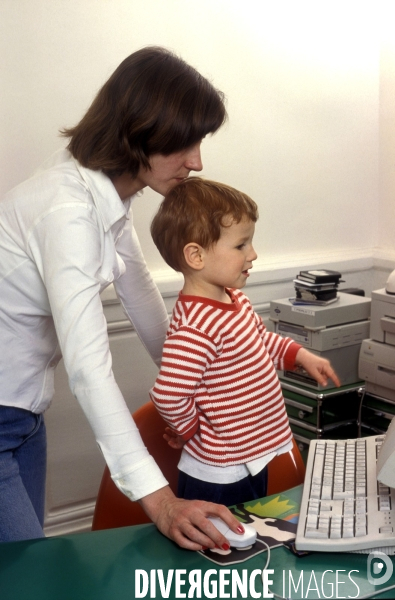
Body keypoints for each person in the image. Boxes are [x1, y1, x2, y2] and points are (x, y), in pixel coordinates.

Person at [0, 46, 244, 550]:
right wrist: (161, 501)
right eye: (184, 144)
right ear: (140, 131)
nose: (197, 162)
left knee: (28, 563)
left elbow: (142, 300)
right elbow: (90, 369)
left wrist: (199, 401)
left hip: (21, 413)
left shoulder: (108, 191)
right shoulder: (67, 210)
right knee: (22, 576)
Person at [150, 177, 341, 505]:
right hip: (219, 471)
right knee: (219, 545)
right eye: (241, 245)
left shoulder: (234, 300)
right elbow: (168, 395)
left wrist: (299, 355)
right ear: (196, 256)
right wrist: (190, 428)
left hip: (249, 456)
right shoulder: (196, 328)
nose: (252, 254)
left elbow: (259, 342)